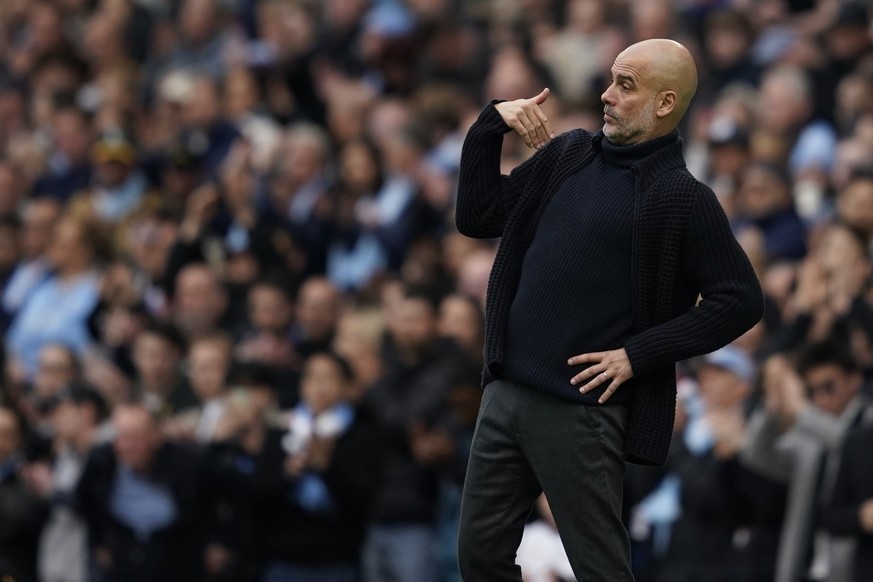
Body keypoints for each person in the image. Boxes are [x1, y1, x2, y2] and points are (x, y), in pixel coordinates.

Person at [454, 38, 764, 581]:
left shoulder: (682, 197)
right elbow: (479, 215)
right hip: (507, 392)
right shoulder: (569, 153)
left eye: (625, 85)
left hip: (580, 411)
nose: (606, 95)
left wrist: (637, 355)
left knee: (601, 571)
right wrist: (489, 127)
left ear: (665, 103)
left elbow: (740, 300)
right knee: (479, 558)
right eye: (611, 80)